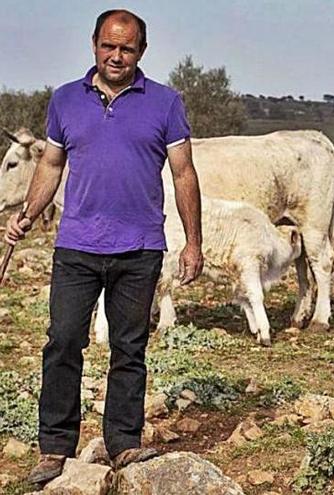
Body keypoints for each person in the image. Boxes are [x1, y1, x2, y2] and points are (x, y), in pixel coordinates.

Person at [4, 9, 203, 484]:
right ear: (94, 44)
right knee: (63, 342)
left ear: (142, 51)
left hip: (139, 247)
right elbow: (50, 165)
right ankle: (54, 448)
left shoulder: (165, 102)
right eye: (109, 46)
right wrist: (28, 214)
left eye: (127, 48)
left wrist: (194, 242)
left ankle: (124, 445)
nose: (117, 56)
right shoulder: (65, 100)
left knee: (129, 348)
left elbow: (183, 173)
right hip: (76, 245)